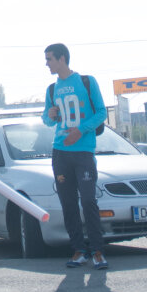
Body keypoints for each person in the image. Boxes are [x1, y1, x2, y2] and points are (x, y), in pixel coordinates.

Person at [42, 43, 109, 270]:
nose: (47, 63)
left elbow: (101, 112)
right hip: (60, 153)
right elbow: (47, 119)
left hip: (83, 152)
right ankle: (79, 250)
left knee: (89, 200)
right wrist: (50, 115)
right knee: (68, 203)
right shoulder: (51, 89)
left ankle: (98, 251)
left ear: (62, 59)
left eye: (49, 59)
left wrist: (81, 130)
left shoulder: (87, 82)